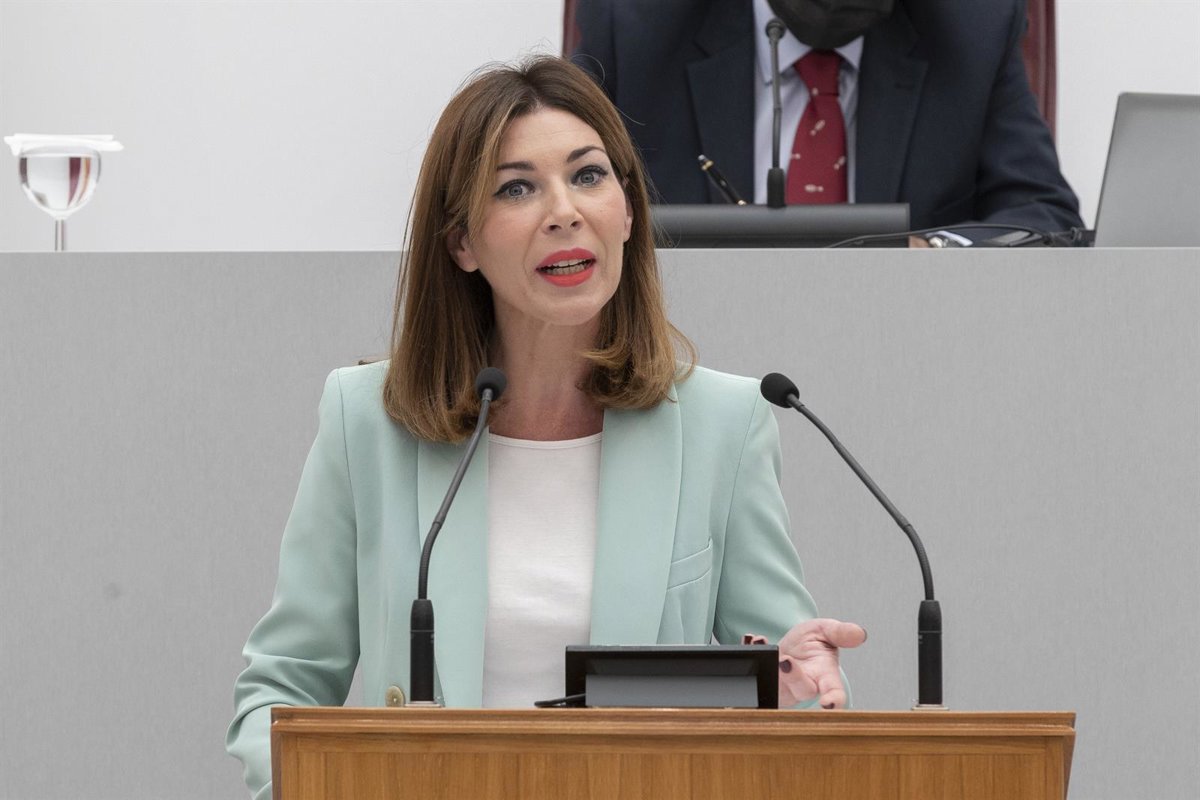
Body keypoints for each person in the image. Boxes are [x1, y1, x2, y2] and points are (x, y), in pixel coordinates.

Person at [226, 55, 865, 799]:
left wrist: (791, 693)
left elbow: (794, 690)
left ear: (628, 212)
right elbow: (281, 688)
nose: (564, 211)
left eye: (589, 175)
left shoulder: (726, 423)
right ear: (462, 242)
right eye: (517, 187)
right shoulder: (368, 419)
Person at [572, 0, 1084, 236]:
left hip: (900, 349)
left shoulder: (973, 28)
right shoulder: (635, 21)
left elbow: (1045, 216)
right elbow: (566, 201)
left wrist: (931, 250)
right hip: (684, 355)